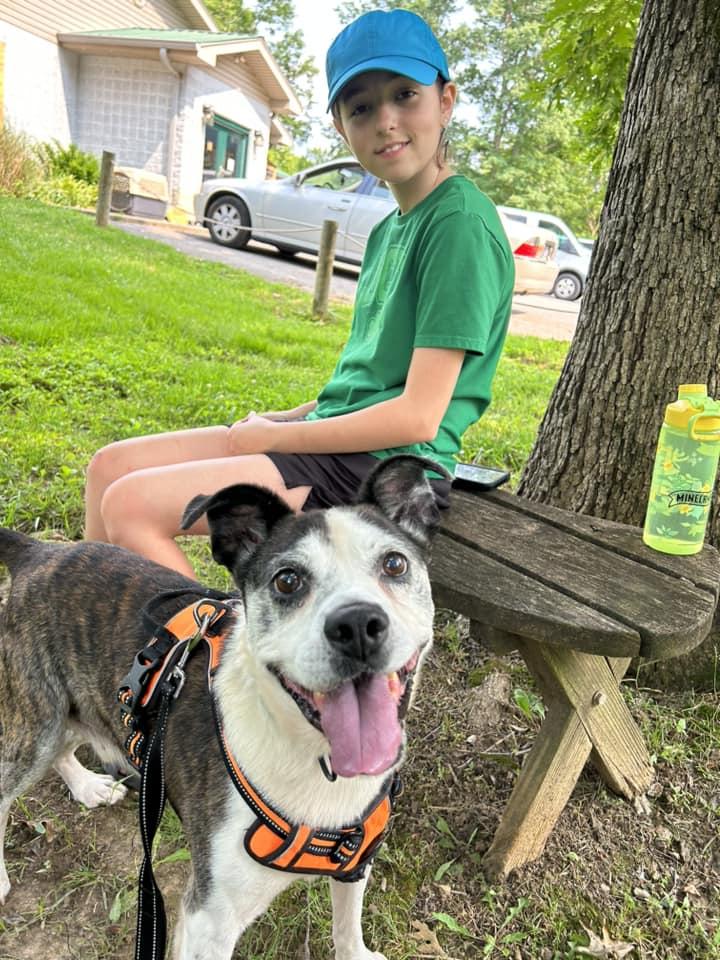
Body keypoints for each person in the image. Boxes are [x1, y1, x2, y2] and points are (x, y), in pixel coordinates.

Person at [84, 9, 514, 578]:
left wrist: (277, 437)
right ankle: (90, 635)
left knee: (130, 506)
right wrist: (289, 419)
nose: (385, 120)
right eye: (361, 107)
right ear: (342, 126)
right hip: (341, 446)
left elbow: (417, 416)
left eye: (405, 94)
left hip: (386, 472)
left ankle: (221, 658)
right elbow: (370, 382)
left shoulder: (457, 222)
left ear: (446, 101)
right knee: (108, 467)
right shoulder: (391, 228)